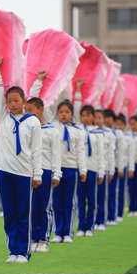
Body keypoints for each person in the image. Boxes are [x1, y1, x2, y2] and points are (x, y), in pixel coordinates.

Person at [0, 58, 43, 262]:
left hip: (23, 173)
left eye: (16, 100)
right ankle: (13, 250)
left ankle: (23, 251)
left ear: (23, 101)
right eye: (9, 101)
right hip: (4, 172)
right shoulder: (4, 118)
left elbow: (37, 150)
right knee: (9, 213)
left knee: (23, 213)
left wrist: (37, 174)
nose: (12, 104)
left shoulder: (32, 122)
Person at [26, 71, 61, 252]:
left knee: (43, 206)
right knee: (31, 207)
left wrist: (57, 173)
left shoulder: (51, 130)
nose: (28, 114)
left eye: (31, 110)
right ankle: (32, 238)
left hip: (46, 171)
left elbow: (56, 154)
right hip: (28, 171)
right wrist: (37, 81)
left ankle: (44, 239)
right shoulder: (28, 128)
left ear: (40, 110)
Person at [49, 99, 86, 243]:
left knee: (69, 202)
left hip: (72, 169)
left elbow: (81, 152)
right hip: (57, 169)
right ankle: (58, 232)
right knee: (57, 202)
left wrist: (83, 170)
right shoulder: (53, 128)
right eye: (61, 112)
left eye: (67, 112)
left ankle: (68, 232)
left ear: (72, 114)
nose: (64, 115)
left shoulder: (78, 131)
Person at [75, 104, 105, 237]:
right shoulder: (78, 130)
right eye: (83, 115)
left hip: (93, 168)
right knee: (81, 199)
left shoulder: (98, 132)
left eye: (88, 115)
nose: (85, 118)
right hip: (80, 169)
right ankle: (81, 226)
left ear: (93, 117)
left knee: (92, 199)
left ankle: (90, 226)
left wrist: (101, 171)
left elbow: (101, 153)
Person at [93, 109, 115, 230]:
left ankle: (101, 221)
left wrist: (111, 170)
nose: (97, 120)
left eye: (99, 118)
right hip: (91, 168)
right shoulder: (88, 132)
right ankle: (93, 221)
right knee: (92, 197)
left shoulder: (109, 134)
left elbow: (111, 154)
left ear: (103, 119)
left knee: (102, 196)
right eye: (95, 118)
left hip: (104, 168)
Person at [103, 109, 125, 226]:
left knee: (112, 192)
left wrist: (120, 168)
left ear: (113, 119)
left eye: (109, 117)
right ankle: (104, 217)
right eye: (105, 117)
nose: (107, 120)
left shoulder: (118, 133)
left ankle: (113, 216)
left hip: (114, 166)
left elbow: (121, 151)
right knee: (103, 194)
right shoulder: (101, 130)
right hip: (103, 166)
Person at [114, 110, 135, 221]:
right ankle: (112, 213)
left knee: (121, 190)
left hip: (123, 167)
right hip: (113, 166)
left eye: (120, 124)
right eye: (116, 124)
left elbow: (131, 155)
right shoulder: (112, 135)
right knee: (112, 191)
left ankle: (120, 213)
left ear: (124, 125)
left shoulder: (128, 138)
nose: (118, 126)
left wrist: (131, 168)